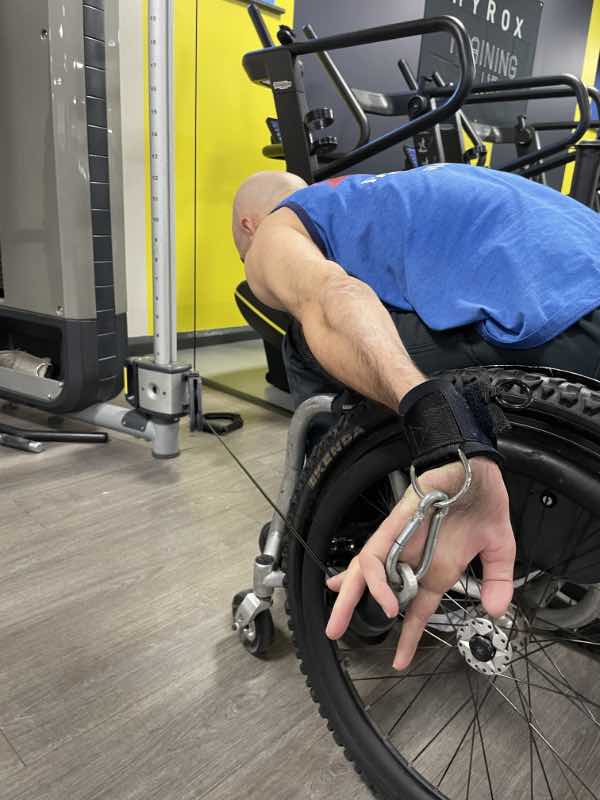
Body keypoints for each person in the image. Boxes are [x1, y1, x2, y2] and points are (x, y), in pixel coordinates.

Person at [231, 164, 600, 670]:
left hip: (559, 338)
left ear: (249, 226)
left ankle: (338, 535)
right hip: (580, 299)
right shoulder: (406, 190)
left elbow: (333, 298)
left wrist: (443, 431)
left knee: (303, 336)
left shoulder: (276, 229)